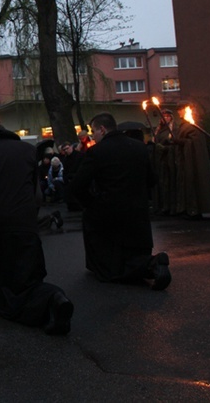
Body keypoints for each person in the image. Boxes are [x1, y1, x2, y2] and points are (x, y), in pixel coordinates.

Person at [0, 124, 74, 335]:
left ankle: (46, 302)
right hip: (24, 224)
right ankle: (53, 298)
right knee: (27, 277)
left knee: (1, 283)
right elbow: (36, 193)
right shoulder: (28, 152)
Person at [70, 113, 171, 290]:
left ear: (102, 129)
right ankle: (150, 263)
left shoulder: (97, 151)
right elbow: (152, 180)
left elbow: (78, 185)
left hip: (108, 214)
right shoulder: (139, 148)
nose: (93, 136)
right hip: (138, 212)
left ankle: (151, 265)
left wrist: (91, 204)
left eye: (94, 132)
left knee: (110, 268)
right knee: (133, 252)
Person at [174, 102, 210, 220]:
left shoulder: (195, 124)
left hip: (193, 160)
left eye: (181, 109)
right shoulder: (183, 125)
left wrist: (182, 142)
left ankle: (195, 209)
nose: (178, 112)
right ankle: (187, 208)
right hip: (184, 159)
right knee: (185, 182)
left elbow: (194, 142)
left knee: (194, 182)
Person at [152, 109, 179, 215]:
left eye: (168, 116)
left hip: (170, 159)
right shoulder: (158, 130)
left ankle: (172, 206)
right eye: (164, 116)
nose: (165, 118)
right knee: (162, 183)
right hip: (160, 160)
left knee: (170, 182)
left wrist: (165, 148)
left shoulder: (173, 129)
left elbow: (175, 143)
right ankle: (162, 205)